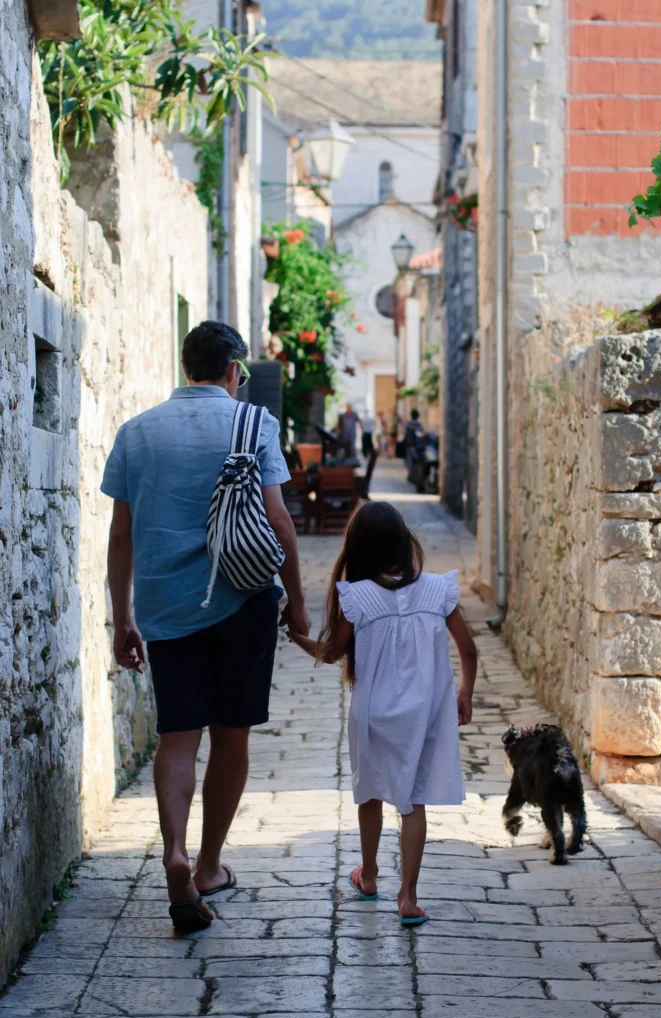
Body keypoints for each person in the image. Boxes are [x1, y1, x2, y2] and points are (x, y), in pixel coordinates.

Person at [101, 320, 311, 932]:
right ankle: (209, 866)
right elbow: (278, 519)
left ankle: (173, 851)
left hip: (167, 606)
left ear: (186, 367)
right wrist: (297, 600)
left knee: (178, 736)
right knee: (233, 734)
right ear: (233, 371)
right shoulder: (253, 425)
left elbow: (121, 536)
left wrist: (124, 618)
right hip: (243, 598)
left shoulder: (136, 433)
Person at [287, 501, 477, 927]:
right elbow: (468, 648)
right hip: (424, 715)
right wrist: (465, 692)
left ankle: (369, 874)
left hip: (372, 716)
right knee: (413, 802)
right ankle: (408, 897)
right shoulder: (436, 591)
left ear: (358, 551)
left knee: (370, 793)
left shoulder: (358, 597)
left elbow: (332, 653)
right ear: (402, 543)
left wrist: (296, 636)